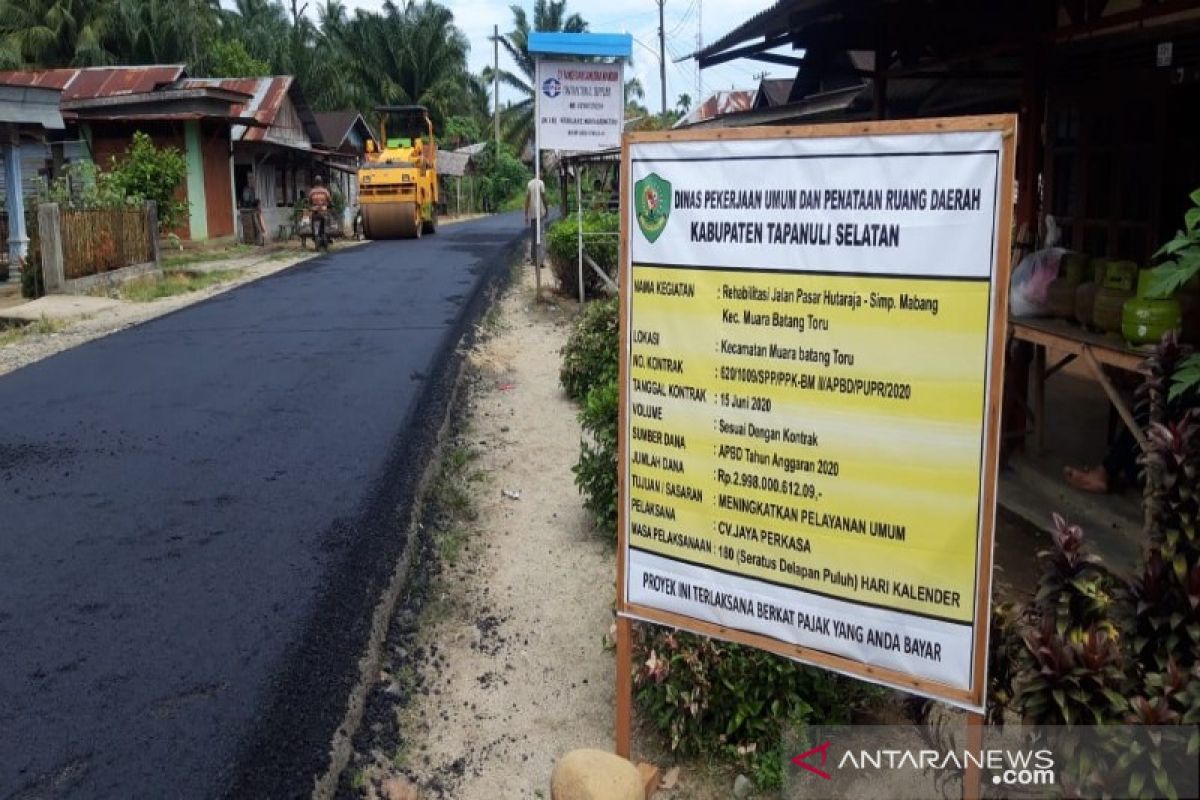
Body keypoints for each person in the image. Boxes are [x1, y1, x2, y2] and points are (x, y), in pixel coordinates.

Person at [524, 174, 546, 264]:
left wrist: (526, 214)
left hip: (532, 213)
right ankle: (540, 260)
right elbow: (543, 197)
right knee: (540, 236)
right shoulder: (541, 183)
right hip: (540, 213)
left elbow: (527, 199)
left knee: (533, 237)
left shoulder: (529, 184)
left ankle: (534, 259)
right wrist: (547, 208)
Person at [308, 175, 332, 250]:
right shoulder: (325, 191)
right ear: (321, 182)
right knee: (326, 226)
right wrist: (329, 205)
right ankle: (325, 238)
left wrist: (313, 205)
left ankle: (316, 238)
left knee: (314, 226)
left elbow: (309, 202)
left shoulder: (312, 191)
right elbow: (330, 201)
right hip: (324, 212)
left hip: (315, 212)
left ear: (315, 182)